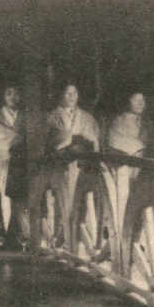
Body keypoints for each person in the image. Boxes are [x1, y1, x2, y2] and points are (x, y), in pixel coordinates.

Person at [44, 83, 99, 250]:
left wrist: (86, 139)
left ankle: (76, 238)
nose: (71, 96)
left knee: (81, 200)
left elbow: (94, 138)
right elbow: (51, 139)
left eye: (74, 93)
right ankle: (61, 236)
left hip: (82, 164)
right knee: (62, 201)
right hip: (62, 165)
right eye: (67, 93)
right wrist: (72, 137)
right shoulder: (52, 116)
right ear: (61, 95)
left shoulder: (86, 117)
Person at [0, 84, 26, 247]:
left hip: (20, 159)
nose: (13, 97)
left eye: (16, 94)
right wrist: (18, 138)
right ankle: (5, 233)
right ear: (4, 97)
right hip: (2, 157)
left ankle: (19, 234)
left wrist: (19, 141)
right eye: (9, 94)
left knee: (19, 195)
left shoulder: (25, 115)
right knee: (4, 194)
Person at [107, 91, 150, 223]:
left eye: (142, 100)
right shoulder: (119, 121)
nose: (140, 103)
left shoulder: (145, 122)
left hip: (140, 166)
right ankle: (121, 223)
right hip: (124, 166)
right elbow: (116, 142)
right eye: (136, 100)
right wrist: (138, 146)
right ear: (128, 101)